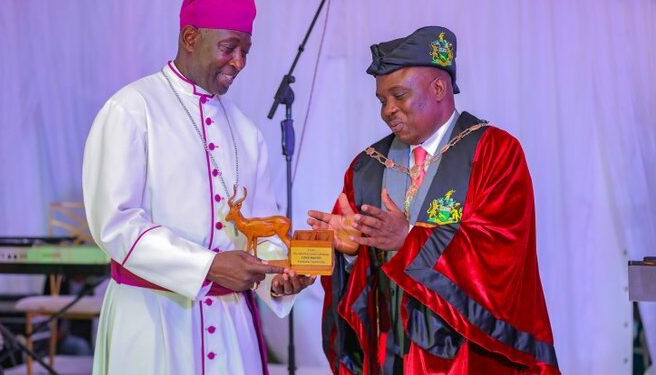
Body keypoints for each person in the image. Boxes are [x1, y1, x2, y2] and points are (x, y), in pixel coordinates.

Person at [308, 26, 560, 374]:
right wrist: (349, 254)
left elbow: (502, 253)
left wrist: (409, 237)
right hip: (390, 356)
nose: (387, 111)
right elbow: (353, 286)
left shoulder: (494, 152)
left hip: (468, 359)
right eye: (382, 100)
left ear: (439, 88)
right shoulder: (367, 167)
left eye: (399, 95)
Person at [82, 1, 314, 374]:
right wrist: (207, 266)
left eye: (245, 52)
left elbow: (260, 227)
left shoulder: (246, 131)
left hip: (230, 328)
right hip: (153, 320)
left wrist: (278, 277)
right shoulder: (131, 110)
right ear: (190, 38)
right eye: (229, 48)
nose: (238, 62)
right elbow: (115, 223)